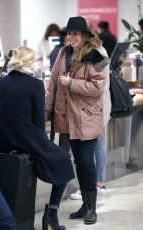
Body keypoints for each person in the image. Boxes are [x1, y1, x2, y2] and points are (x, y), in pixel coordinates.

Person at [0, 47, 74, 230]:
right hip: (23, 136)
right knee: (63, 159)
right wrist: (41, 144)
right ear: (30, 62)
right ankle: (51, 214)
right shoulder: (35, 84)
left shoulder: (0, 83)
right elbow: (38, 121)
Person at [45, 16, 109, 225]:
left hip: (88, 116)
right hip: (68, 117)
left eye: (75, 33)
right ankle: (85, 205)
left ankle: (91, 207)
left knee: (85, 161)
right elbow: (53, 81)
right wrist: (47, 108)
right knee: (79, 163)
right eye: (69, 33)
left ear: (84, 35)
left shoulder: (96, 56)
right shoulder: (63, 53)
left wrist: (72, 83)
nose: (71, 37)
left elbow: (97, 88)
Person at [70, 30, 111, 200]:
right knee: (97, 143)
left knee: (94, 146)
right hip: (95, 106)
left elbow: (94, 85)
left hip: (94, 106)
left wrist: (71, 82)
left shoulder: (96, 54)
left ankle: (95, 183)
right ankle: (98, 182)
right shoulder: (100, 51)